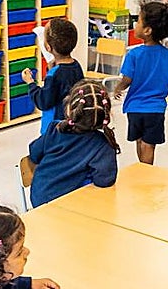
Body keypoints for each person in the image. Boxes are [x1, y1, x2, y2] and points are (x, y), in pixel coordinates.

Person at [113, 0, 168, 165]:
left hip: (135, 108)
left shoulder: (133, 54)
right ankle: (146, 171)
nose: (135, 24)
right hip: (155, 110)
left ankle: (143, 170)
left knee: (139, 141)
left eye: (138, 21)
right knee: (149, 144)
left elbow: (127, 79)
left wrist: (118, 88)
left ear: (147, 30)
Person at [27, 80, 120, 208]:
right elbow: (104, 180)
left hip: (39, 197)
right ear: (106, 113)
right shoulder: (101, 144)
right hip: (69, 206)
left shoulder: (55, 129)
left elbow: (34, 154)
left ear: (69, 109)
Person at [23, 18, 85, 134]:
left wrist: (30, 83)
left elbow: (43, 101)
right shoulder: (77, 66)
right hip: (73, 124)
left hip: (54, 129)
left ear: (48, 48)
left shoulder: (54, 74)